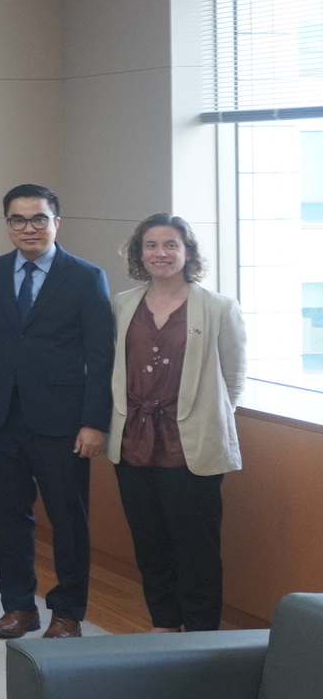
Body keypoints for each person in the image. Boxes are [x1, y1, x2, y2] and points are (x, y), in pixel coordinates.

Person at [0, 184, 114, 640]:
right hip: (2, 419)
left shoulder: (85, 276)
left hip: (64, 423)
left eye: (38, 218)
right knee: (8, 517)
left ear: (57, 221)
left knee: (69, 520)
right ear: (7, 225)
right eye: (18, 219)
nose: (28, 228)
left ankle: (68, 612)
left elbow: (102, 355)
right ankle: (18, 606)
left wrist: (94, 421)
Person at [108, 214, 246, 634]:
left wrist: (207, 423)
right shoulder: (122, 303)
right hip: (133, 442)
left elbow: (234, 380)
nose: (161, 253)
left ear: (188, 253)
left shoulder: (219, 307)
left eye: (171, 245)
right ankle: (164, 624)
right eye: (151, 245)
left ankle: (202, 632)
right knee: (150, 544)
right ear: (139, 254)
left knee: (197, 547)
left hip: (192, 446)